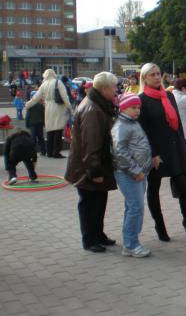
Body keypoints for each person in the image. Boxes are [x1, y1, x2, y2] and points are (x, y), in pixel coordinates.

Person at [137, 63, 186, 241]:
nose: (156, 77)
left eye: (158, 74)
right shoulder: (142, 100)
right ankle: (160, 227)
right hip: (156, 152)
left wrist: (185, 152)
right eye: (152, 75)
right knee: (153, 190)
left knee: (185, 186)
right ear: (144, 78)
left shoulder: (169, 96)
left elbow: (177, 125)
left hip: (175, 148)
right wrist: (153, 154)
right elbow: (142, 131)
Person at [65, 72, 119, 253]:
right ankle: (89, 239)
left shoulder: (98, 104)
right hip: (87, 167)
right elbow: (91, 144)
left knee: (99, 202)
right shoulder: (93, 109)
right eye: (114, 87)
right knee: (89, 204)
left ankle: (98, 234)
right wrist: (95, 171)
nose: (116, 90)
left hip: (94, 164)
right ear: (104, 89)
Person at [111, 93, 153, 258]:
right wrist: (135, 171)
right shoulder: (121, 125)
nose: (137, 111)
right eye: (133, 107)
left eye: (138, 108)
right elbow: (119, 152)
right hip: (129, 174)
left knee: (133, 207)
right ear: (123, 108)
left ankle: (131, 241)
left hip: (139, 173)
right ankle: (130, 245)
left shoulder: (132, 123)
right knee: (136, 208)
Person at [25, 69, 72, 159]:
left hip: (48, 107)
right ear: (53, 74)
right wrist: (70, 107)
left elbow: (36, 98)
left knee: (50, 130)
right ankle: (56, 152)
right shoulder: (58, 82)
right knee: (58, 130)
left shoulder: (44, 84)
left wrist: (28, 104)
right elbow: (64, 96)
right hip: (58, 107)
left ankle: (49, 152)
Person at [25, 90, 46, 156]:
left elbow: (27, 116)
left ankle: (33, 152)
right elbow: (44, 115)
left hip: (32, 124)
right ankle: (43, 151)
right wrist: (44, 123)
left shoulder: (30, 106)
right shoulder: (41, 106)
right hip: (40, 124)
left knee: (33, 139)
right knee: (41, 138)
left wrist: (27, 124)